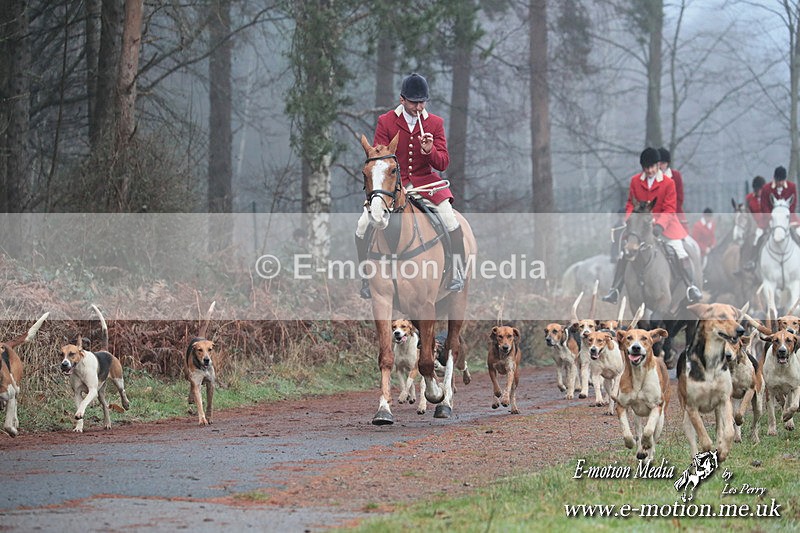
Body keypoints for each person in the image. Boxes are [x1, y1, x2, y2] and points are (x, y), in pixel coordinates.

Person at [355, 73, 464, 298]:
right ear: (402, 100)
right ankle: (366, 277)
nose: (418, 107)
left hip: (426, 183)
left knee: (450, 220)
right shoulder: (386, 121)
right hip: (394, 185)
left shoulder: (435, 123)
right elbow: (379, 156)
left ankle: (456, 272)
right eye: (414, 102)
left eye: (422, 102)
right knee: (362, 225)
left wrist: (429, 151)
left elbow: (443, 161)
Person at [602, 147, 703, 304]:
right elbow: (630, 203)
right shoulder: (635, 181)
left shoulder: (668, 183)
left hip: (665, 226)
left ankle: (691, 287)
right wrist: (629, 219)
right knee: (625, 251)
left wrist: (659, 225)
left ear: (658, 166)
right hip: (639, 227)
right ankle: (615, 289)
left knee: (679, 250)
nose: (649, 170)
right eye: (646, 167)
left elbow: (670, 208)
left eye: (652, 167)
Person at [747, 166, 800, 270]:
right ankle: (752, 261)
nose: (780, 183)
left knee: (799, 232)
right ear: (774, 178)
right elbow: (764, 206)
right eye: (778, 180)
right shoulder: (766, 188)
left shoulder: (792, 187)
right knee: (758, 235)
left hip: (788, 218)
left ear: (785, 179)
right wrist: (772, 216)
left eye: (782, 180)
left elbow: (793, 204)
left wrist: (785, 215)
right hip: (770, 219)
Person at [658, 147, 688, 230]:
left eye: (663, 163)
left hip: (674, 211)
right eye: (658, 163)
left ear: (667, 163)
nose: (660, 166)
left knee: (684, 233)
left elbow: (679, 198)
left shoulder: (675, 176)